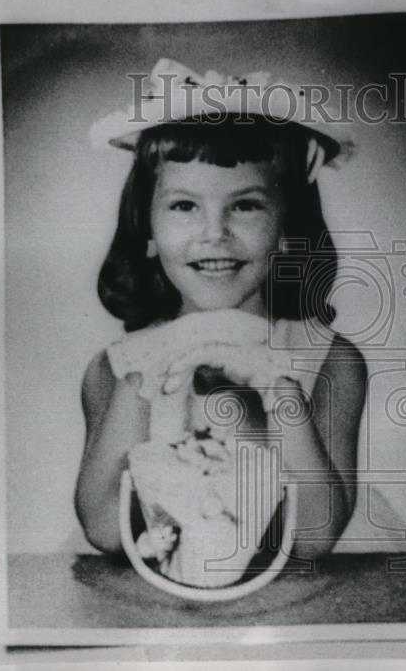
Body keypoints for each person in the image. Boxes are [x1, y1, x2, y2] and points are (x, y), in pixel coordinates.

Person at [74, 60, 367, 562]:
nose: (215, 233)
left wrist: (278, 391)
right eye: (184, 206)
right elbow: (105, 528)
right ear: (145, 226)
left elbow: (313, 538)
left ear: (288, 225)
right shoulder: (114, 368)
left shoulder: (331, 361)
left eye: (246, 205)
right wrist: (145, 377)